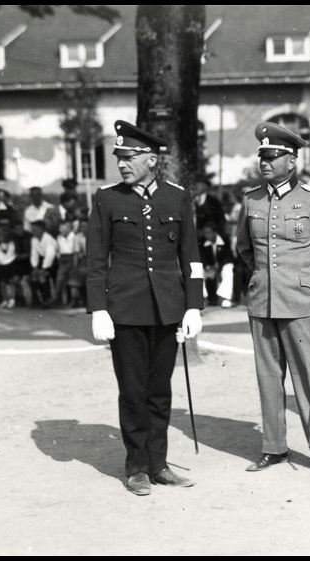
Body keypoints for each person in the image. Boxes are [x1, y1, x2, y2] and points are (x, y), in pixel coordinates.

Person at [87, 120, 204, 496]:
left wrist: (194, 306)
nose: (121, 163)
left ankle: (159, 464)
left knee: (160, 391)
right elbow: (94, 259)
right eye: (118, 156)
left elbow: (191, 255)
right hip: (125, 310)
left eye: (130, 156)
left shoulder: (176, 197)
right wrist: (98, 309)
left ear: (151, 159)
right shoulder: (107, 199)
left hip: (167, 308)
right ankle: (137, 467)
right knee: (133, 391)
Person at [236, 122, 310, 476]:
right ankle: (274, 447)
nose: (265, 162)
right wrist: (262, 276)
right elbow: (243, 248)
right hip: (263, 301)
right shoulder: (251, 200)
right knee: (269, 379)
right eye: (262, 156)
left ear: (291, 161)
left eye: (273, 156)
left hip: (303, 302)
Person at [199, 221, 235, 307]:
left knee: (228, 268)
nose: (206, 235)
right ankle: (202, 298)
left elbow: (228, 256)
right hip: (208, 267)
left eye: (208, 233)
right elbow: (201, 257)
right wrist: (207, 267)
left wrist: (218, 267)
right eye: (205, 233)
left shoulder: (224, 239)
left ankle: (224, 298)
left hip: (220, 266)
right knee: (199, 270)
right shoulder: (202, 241)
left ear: (215, 232)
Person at [29, 219, 57, 307]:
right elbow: (34, 254)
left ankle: (47, 299)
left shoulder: (48, 239)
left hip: (54, 261)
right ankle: (36, 300)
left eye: (34, 229)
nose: (32, 231)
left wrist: (44, 269)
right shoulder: (34, 240)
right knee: (34, 275)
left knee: (43, 276)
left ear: (41, 229)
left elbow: (50, 255)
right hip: (43, 260)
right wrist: (35, 267)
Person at [52, 220, 76, 307]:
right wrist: (59, 257)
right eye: (60, 228)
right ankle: (57, 300)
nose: (61, 229)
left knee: (70, 280)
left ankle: (70, 301)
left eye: (64, 227)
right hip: (63, 258)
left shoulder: (74, 237)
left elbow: (74, 249)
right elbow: (57, 249)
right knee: (60, 279)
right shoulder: (59, 237)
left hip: (72, 257)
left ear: (70, 228)